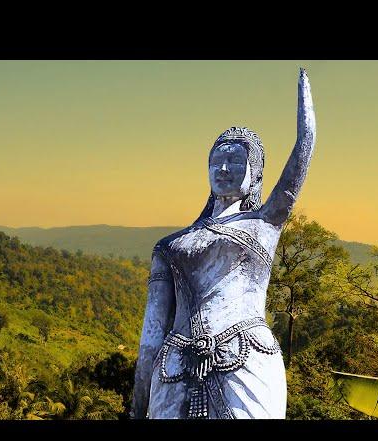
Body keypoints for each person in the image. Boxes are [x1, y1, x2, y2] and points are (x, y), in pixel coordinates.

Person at [132, 68, 316, 419]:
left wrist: (306, 115)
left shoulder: (265, 224)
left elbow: (299, 162)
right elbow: (150, 336)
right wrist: (139, 402)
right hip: (174, 367)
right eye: (217, 160)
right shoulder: (169, 245)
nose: (224, 168)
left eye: (236, 160)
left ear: (256, 173)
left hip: (247, 360)